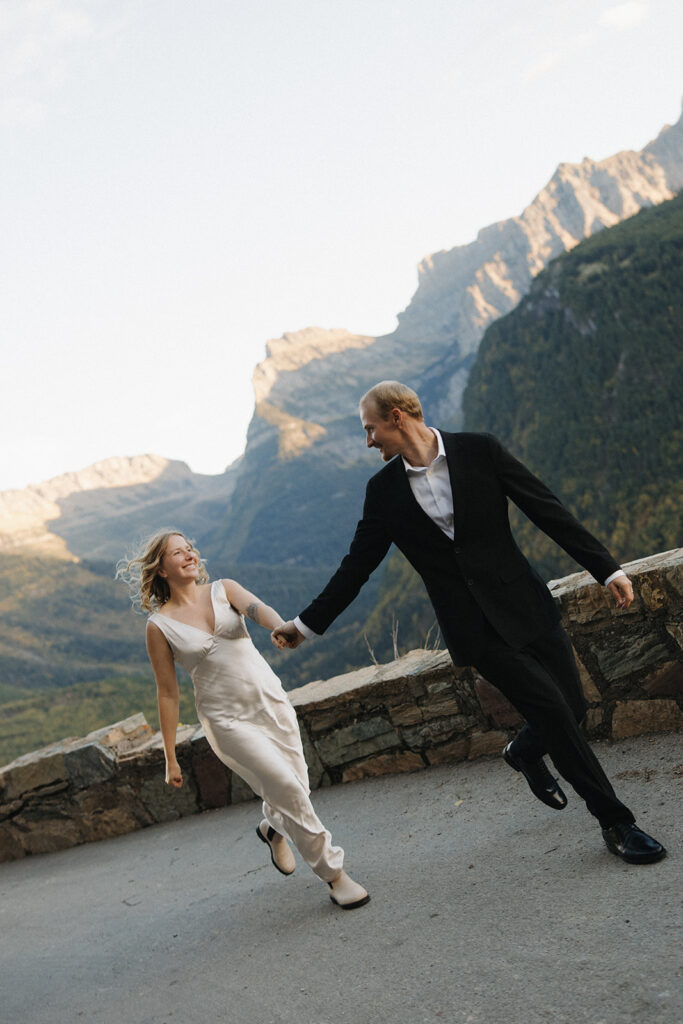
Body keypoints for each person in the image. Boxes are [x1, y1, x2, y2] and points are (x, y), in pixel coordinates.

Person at [272, 380, 666, 866]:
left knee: (573, 707)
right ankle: (617, 823)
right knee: (553, 713)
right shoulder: (383, 493)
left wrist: (606, 568)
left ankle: (524, 750)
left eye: (370, 429)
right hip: (475, 630)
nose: (368, 441)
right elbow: (356, 568)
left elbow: (545, 509)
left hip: (526, 606)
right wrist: (304, 625)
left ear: (397, 417)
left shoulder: (480, 450)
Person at [117, 530, 370, 909]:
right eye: (177, 552)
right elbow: (167, 694)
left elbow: (258, 609)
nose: (189, 555)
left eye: (190, 548)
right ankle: (335, 875)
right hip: (226, 720)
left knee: (297, 786)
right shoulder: (159, 627)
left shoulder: (224, 589)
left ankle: (273, 827)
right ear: (161, 568)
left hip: (270, 701)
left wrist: (281, 626)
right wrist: (169, 756)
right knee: (286, 785)